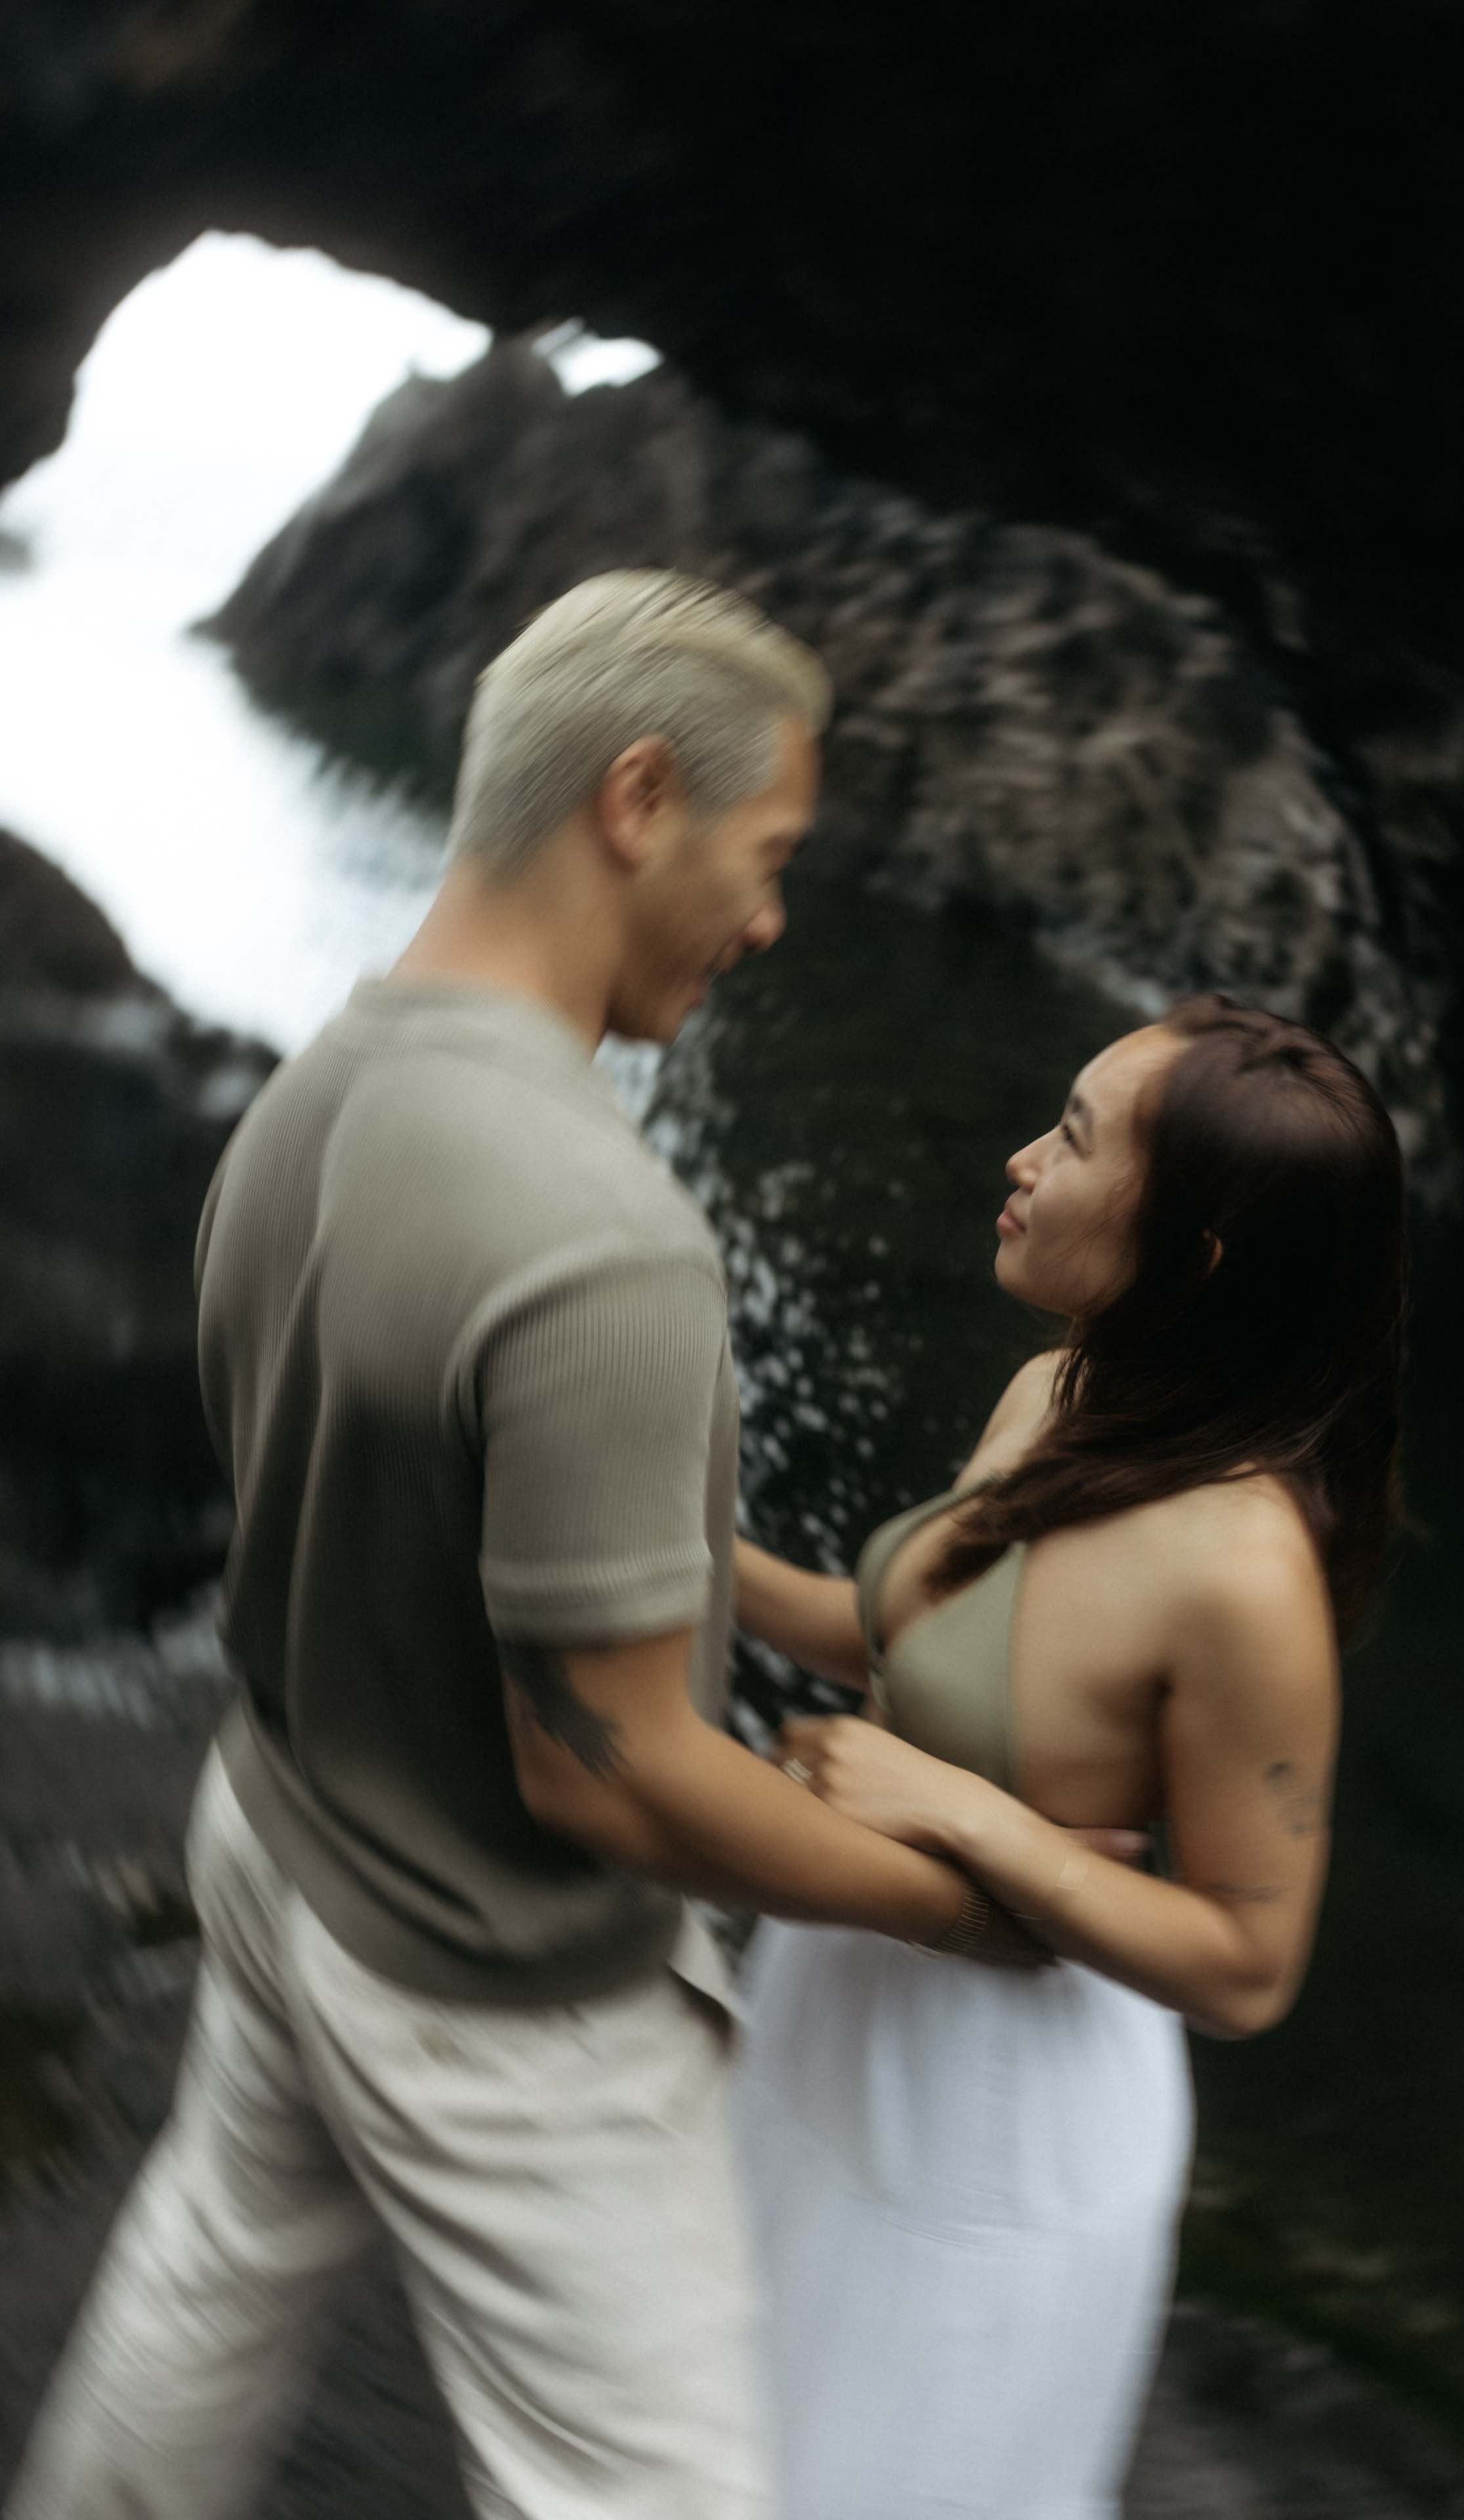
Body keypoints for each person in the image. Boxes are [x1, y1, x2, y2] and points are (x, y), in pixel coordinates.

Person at [6, 571, 1035, 2520]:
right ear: (638, 799)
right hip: (492, 1985)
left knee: (204, 2292)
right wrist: (961, 1892)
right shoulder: (604, 1235)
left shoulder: (308, 1096)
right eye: (770, 853)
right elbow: (612, 1766)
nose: (771, 916)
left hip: (282, 1824)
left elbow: (424, 1504)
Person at [732, 994, 1408, 2520]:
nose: (1022, 1158)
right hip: (835, 1999)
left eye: (1079, 1141)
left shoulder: (1242, 1577)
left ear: (1197, 1259)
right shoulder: (1057, 1388)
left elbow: (1247, 1961)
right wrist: (661, 1551)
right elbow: (919, 1641)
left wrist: (974, 1821)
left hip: (991, 2110)